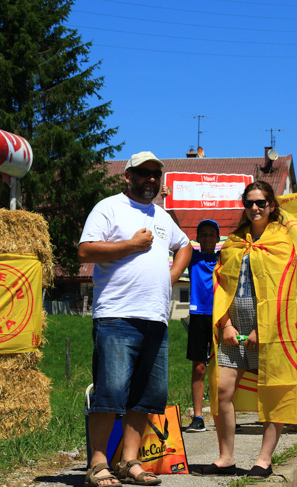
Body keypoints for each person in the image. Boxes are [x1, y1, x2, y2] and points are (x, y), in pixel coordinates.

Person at [78, 151, 192, 487]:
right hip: (116, 316)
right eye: (144, 173)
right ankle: (98, 464)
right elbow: (85, 251)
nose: (151, 180)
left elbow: (184, 245)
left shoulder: (161, 215)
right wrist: (130, 245)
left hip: (156, 318)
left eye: (156, 175)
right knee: (110, 392)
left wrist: (170, 276)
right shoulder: (109, 207)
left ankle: (129, 461)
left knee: (147, 395)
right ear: (128, 176)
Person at [194, 181, 297, 479]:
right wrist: (225, 323)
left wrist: (260, 328)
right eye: (250, 202)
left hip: (271, 327)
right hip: (232, 324)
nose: (255, 207)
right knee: (222, 389)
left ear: (272, 206)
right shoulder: (233, 241)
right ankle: (226, 458)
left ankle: (264, 460)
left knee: (274, 391)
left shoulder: (283, 241)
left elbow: (284, 290)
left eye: (261, 203)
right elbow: (221, 283)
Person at [183, 219, 221, 432]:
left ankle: (224, 413)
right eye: (203, 234)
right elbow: (177, 234)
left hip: (221, 316)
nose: (207, 237)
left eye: (211, 234)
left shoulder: (225, 257)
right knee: (199, 367)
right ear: (197, 238)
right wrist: (168, 205)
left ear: (218, 238)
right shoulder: (193, 257)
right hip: (198, 315)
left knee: (224, 368)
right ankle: (198, 417)